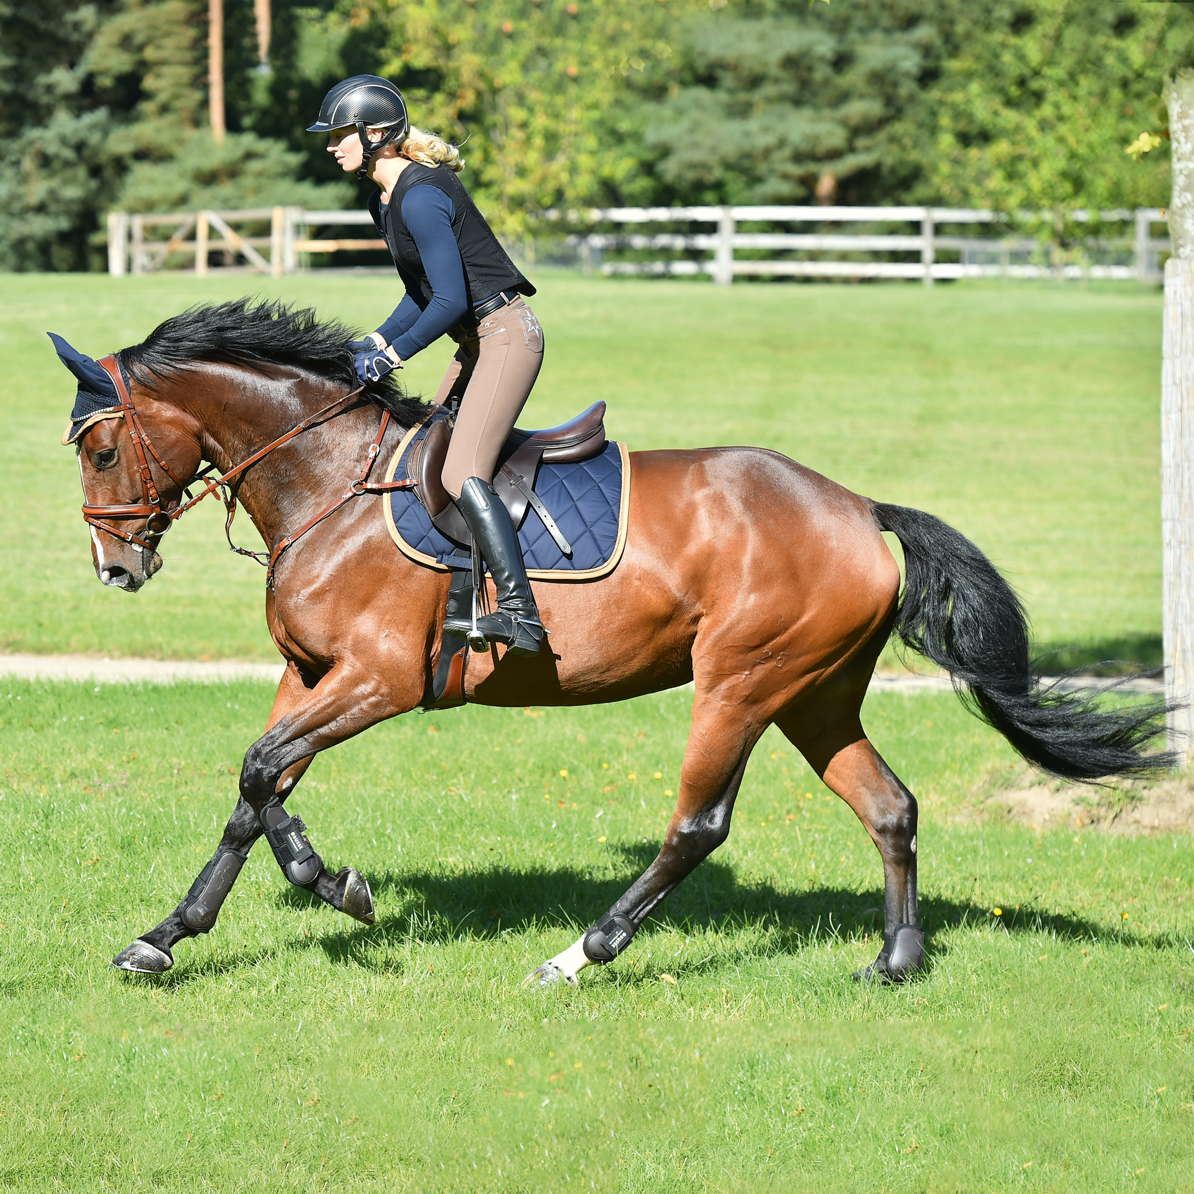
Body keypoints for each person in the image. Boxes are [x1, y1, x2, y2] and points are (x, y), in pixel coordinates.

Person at [307, 74, 545, 655]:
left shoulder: (420, 195)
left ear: (377, 134)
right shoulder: (384, 200)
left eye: (341, 134)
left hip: (505, 336)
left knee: (461, 468)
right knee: (425, 452)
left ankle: (520, 614)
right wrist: (372, 340)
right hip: (476, 342)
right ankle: (457, 602)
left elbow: (452, 299)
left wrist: (392, 355)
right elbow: (420, 294)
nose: (332, 144)